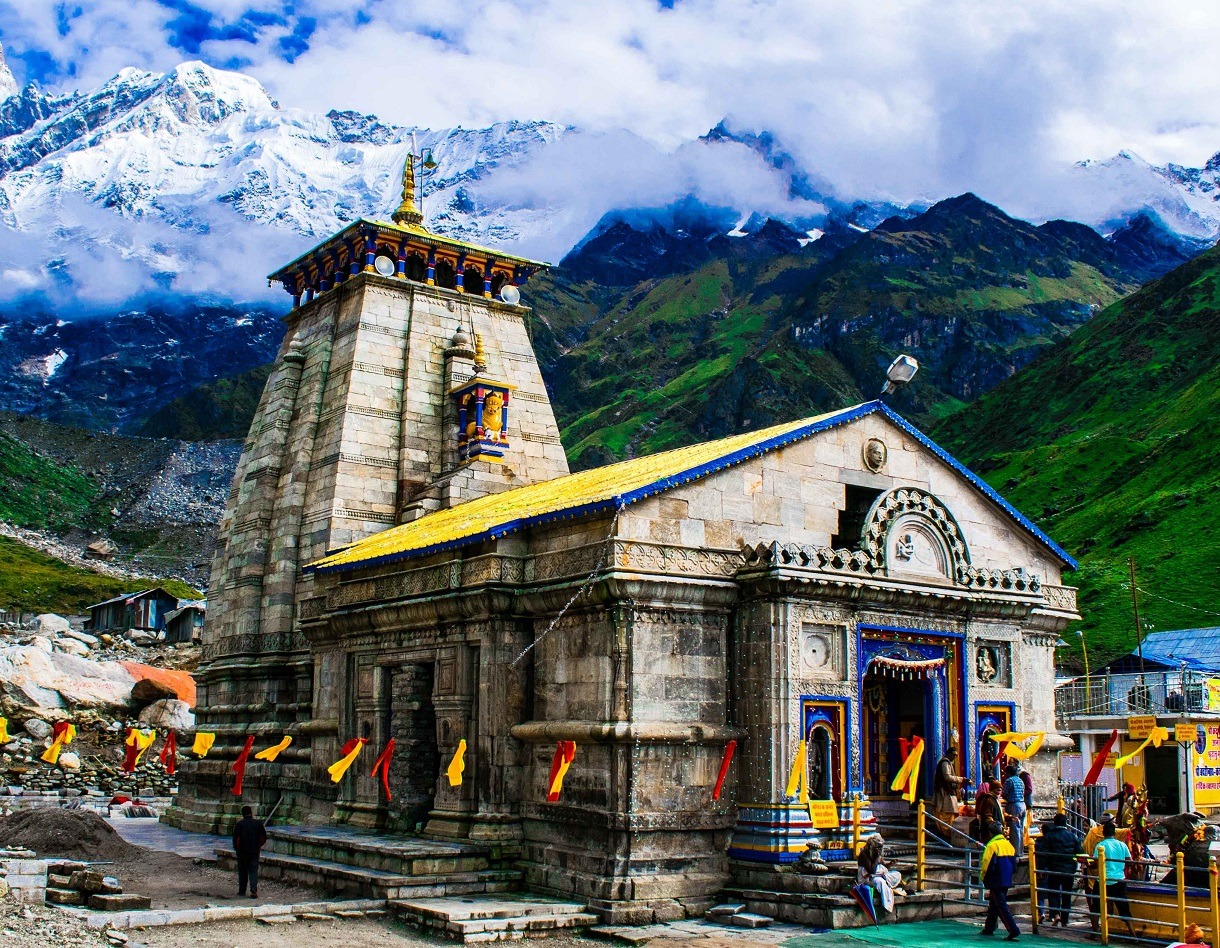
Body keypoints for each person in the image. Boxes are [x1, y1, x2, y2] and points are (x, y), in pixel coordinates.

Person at [1038, 813, 1083, 926]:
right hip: (1069, 870)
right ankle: (1065, 920)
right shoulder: (1073, 836)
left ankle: (1056, 914)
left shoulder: (1049, 837)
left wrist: (1041, 869)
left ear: (1055, 823)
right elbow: (1079, 852)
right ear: (1065, 823)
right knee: (1067, 895)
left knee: (1053, 893)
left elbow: (1044, 855)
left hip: (1054, 869)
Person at [1093, 819, 1135, 936]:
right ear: (1114, 833)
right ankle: (1133, 935)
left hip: (1103, 880)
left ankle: (1095, 932)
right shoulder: (1122, 845)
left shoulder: (1100, 845)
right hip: (1119, 880)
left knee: (1095, 907)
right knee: (1124, 908)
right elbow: (1129, 861)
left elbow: (1095, 864)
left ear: (1103, 833)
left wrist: (1087, 863)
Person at [980, 824, 1020, 940]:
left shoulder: (992, 846)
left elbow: (986, 864)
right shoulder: (1009, 845)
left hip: (996, 879)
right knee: (995, 904)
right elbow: (1014, 866)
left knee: (1001, 905)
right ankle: (989, 928)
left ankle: (1013, 929)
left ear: (990, 833)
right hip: (1006, 878)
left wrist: (983, 878)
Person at [856, 835, 905, 913]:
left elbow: (885, 866)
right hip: (867, 878)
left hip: (879, 875)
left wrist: (891, 863)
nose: (880, 850)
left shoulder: (878, 855)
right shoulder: (864, 854)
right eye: (879, 848)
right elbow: (872, 871)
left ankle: (891, 885)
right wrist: (876, 857)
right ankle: (887, 905)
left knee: (897, 874)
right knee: (881, 882)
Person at [233, 805, 267, 899]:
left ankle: (242, 890)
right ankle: (253, 889)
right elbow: (263, 837)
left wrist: (237, 849)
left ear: (242, 814)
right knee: (253, 870)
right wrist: (259, 846)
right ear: (251, 813)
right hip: (254, 851)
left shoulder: (239, 824)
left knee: (242, 871)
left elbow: (236, 840)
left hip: (242, 852)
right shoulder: (258, 824)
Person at [932, 745, 968, 832]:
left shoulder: (949, 763)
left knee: (951, 813)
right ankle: (946, 832)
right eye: (953, 755)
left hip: (949, 791)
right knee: (945, 812)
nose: (955, 757)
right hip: (944, 792)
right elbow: (947, 777)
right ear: (948, 754)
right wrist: (961, 779)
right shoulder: (945, 763)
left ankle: (949, 832)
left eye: (956, 755)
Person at [1001, 763, 1026, 857]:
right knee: (1020, 829)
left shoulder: (1009, 781)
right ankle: (1020, 851)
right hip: (1022, 804)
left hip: (1014, 805)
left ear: (1008, 773)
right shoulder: (1020, 780)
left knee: (1014, 829)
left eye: (1005, 773)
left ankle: (1015, 852)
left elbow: (1003, 793)